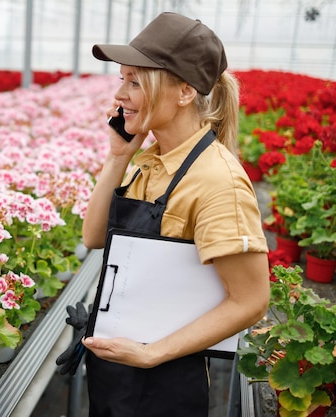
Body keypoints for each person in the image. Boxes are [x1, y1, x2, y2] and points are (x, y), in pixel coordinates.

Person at [80, 12, 270, 417]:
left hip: (163, 380)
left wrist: (152, 354)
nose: (120, 95)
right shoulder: (152, 160)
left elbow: (251, 300)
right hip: (117, 366)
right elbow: (94, 237)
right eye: (122, 80)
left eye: (136, 81)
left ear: (184, 92)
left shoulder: (218, 181)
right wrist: (118, 157)